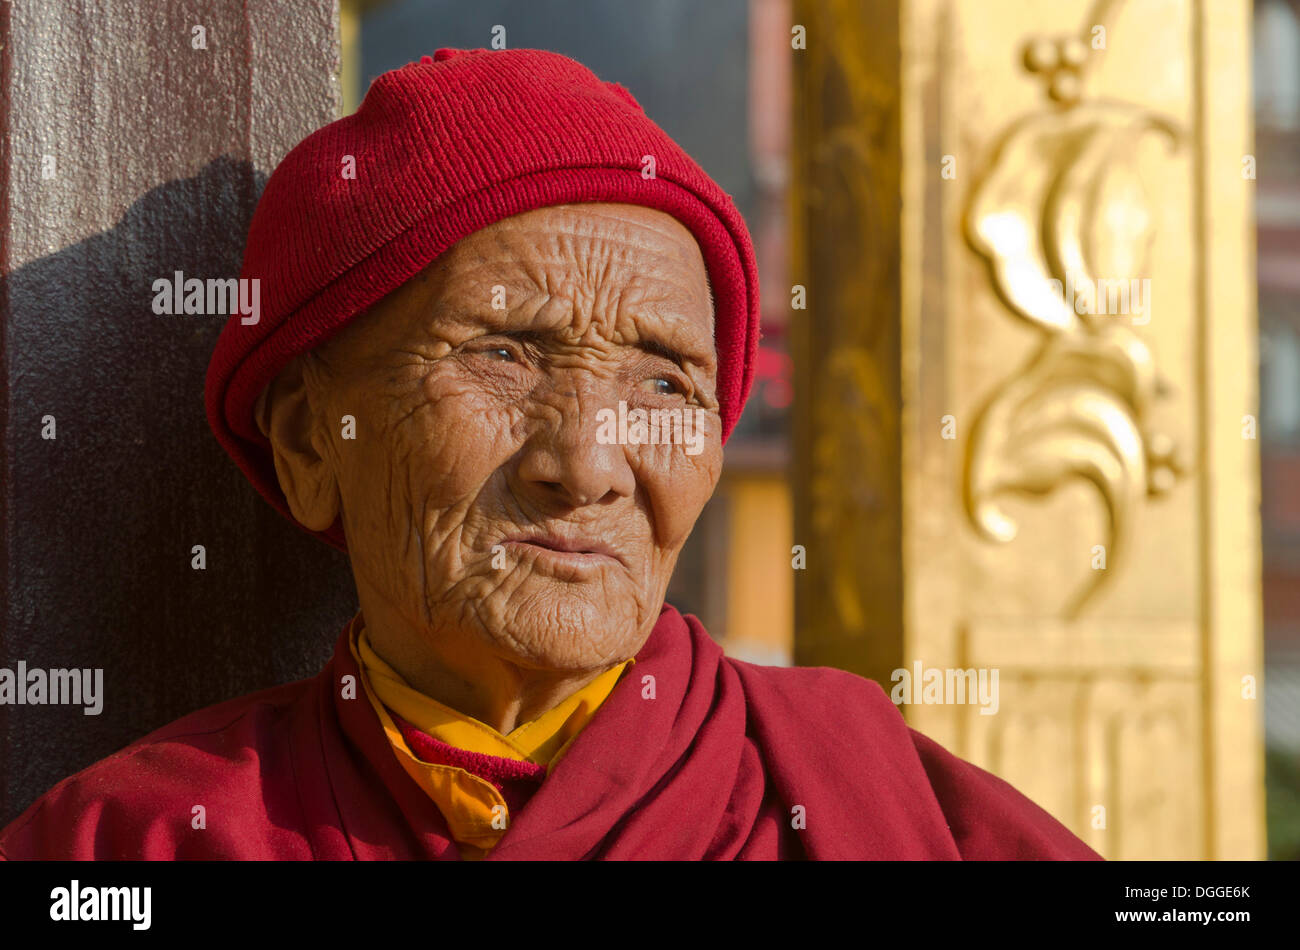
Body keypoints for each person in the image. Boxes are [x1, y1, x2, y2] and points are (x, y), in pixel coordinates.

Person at [0, 48, 1099, 860]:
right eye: (502, 356)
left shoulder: (869, 801)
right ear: (308, 442)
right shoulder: (132, 844)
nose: (587, 465)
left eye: (665, 379)